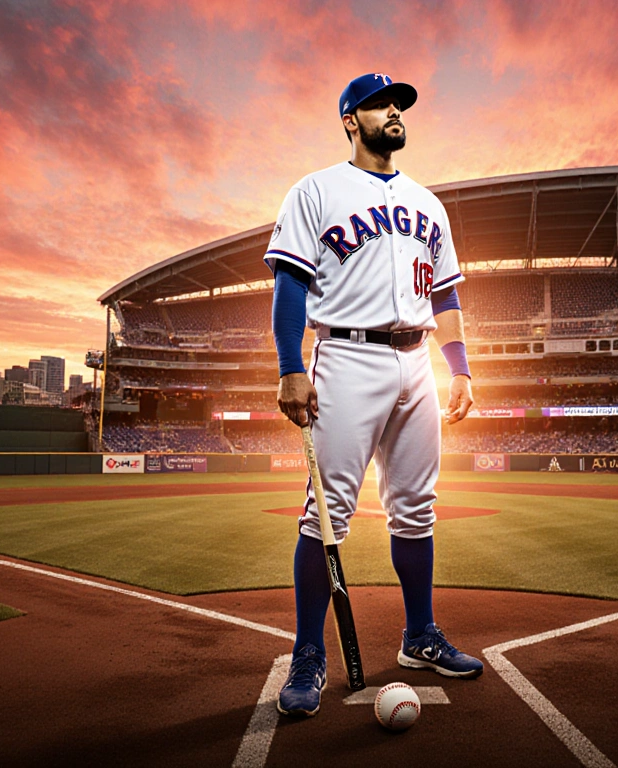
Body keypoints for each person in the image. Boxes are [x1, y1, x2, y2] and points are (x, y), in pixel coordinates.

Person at [266, 73, 483, 718]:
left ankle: (420, 635)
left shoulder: (429, 203)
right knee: (325, 513)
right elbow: (290, 286)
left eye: (400, 105)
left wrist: (461, 370)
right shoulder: (315, 191)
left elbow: (444, 295)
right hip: (346, 355)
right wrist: (289, 366)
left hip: (418, 363)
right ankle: (309, 654)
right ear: (349, 120)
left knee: (416, 508)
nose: (394, 112)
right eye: (380, 105)